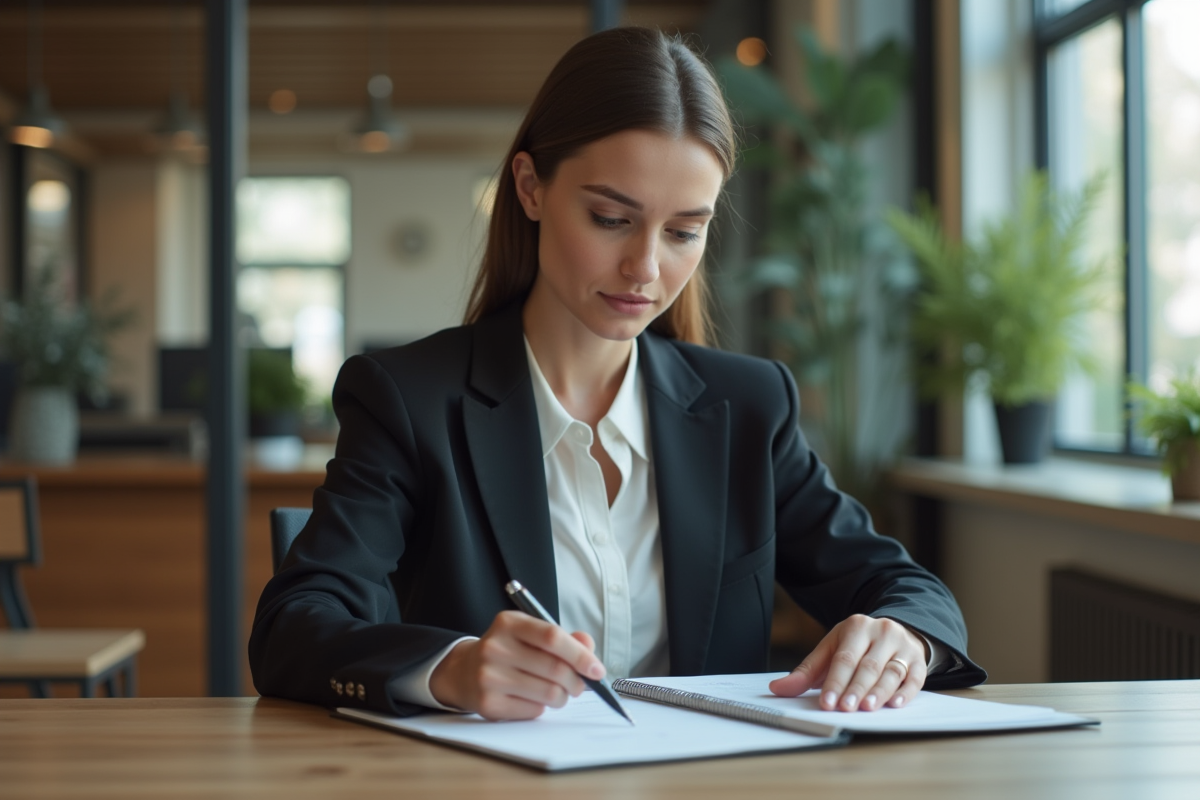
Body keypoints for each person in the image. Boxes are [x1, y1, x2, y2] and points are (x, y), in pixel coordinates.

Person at [249, 27, 985, 722]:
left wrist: (902, 637)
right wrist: (452, 668)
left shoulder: (748, 406)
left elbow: (910, 590)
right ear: (531, 188)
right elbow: (294, 628)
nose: (646, 268)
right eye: (610, 218)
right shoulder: (409, 400)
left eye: (684, 231)